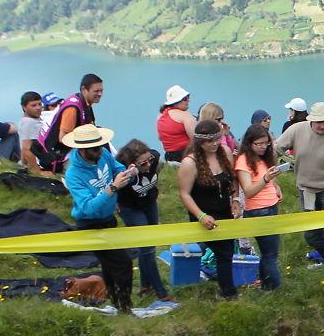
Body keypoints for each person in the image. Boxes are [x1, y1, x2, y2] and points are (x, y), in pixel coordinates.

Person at [62, 123, 142, 315]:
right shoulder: (73, 174)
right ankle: (125, 307)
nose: (100, 151)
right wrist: (112, 188)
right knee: (123, 264)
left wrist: (129, 173)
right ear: (82, 149)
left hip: (108, 218)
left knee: (109, 265)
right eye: (95, 148)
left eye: (101, 146)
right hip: (90, 224)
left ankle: (117, 302)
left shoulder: (103, 154)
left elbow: (117, 168)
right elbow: (87, 208)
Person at [275, 102, 324, 265]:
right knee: (311, 233)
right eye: (319, 122)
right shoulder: (296, 130)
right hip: (306, 190)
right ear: (311, 120)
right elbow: (276, 149)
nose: (322, 125)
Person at [177, 119, 240, 298]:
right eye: (209, 141)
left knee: (227, 250)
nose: (214, 144)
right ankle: (229, 293)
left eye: (217, 139)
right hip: (203, 214)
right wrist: (201, 216)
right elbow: (184, 194)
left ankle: (221, 284)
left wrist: (235, 199)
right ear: (199, 142)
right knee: (224, 252)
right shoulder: (190, 163)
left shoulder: (225, 152)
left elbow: (232, 178)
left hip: (224, 211)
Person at [113, 138, 173, 305]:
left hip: (149, 203)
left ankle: (145, 285)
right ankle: (160, 292)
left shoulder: (154, 157)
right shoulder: (122, 170)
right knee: (147, 249)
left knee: (148, 246)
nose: (148, 165)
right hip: (130, 208)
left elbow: (156, 163)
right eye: (143, 164)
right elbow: (112, 186)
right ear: (132, 164)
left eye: (149, 161)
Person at [234, 124, 286, 290]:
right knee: (271, 255)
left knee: (268, 253)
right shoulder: (243, 161)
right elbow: (249, 191)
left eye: (266, 143)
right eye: (259, 144)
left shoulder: (264, 157)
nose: (264, 147)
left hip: (271, 207)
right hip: (259, 211)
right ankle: (275, 287)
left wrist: (275, 186)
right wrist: (266, 179)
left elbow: (267, 180)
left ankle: (265, 285)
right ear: (249, 143)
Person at [40, 73, 104, 168]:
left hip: (70, 149)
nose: (100, 94)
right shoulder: (72, 109)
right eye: (96, 91)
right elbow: (63, 138)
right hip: (58, 155)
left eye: (101, 90)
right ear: (84, 89)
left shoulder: (85, 103)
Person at [14, 91, 57, 177]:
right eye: (33, 105)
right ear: (24, 107)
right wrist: (38, 172)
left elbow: (23, 148)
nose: (38, 108)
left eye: (40, 104)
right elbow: (26, 149)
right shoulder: (28, 123)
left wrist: (23, 164)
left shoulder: (32, 120)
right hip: (41, 164)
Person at [157, 85, 197, 163]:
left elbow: (160, 138)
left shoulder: (160, 116)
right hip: (186, 155)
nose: (188, 100)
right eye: (185, 99)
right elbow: (196, 139)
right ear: (176, 102)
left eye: (188, 97)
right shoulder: (185, 116)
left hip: (169, 156)